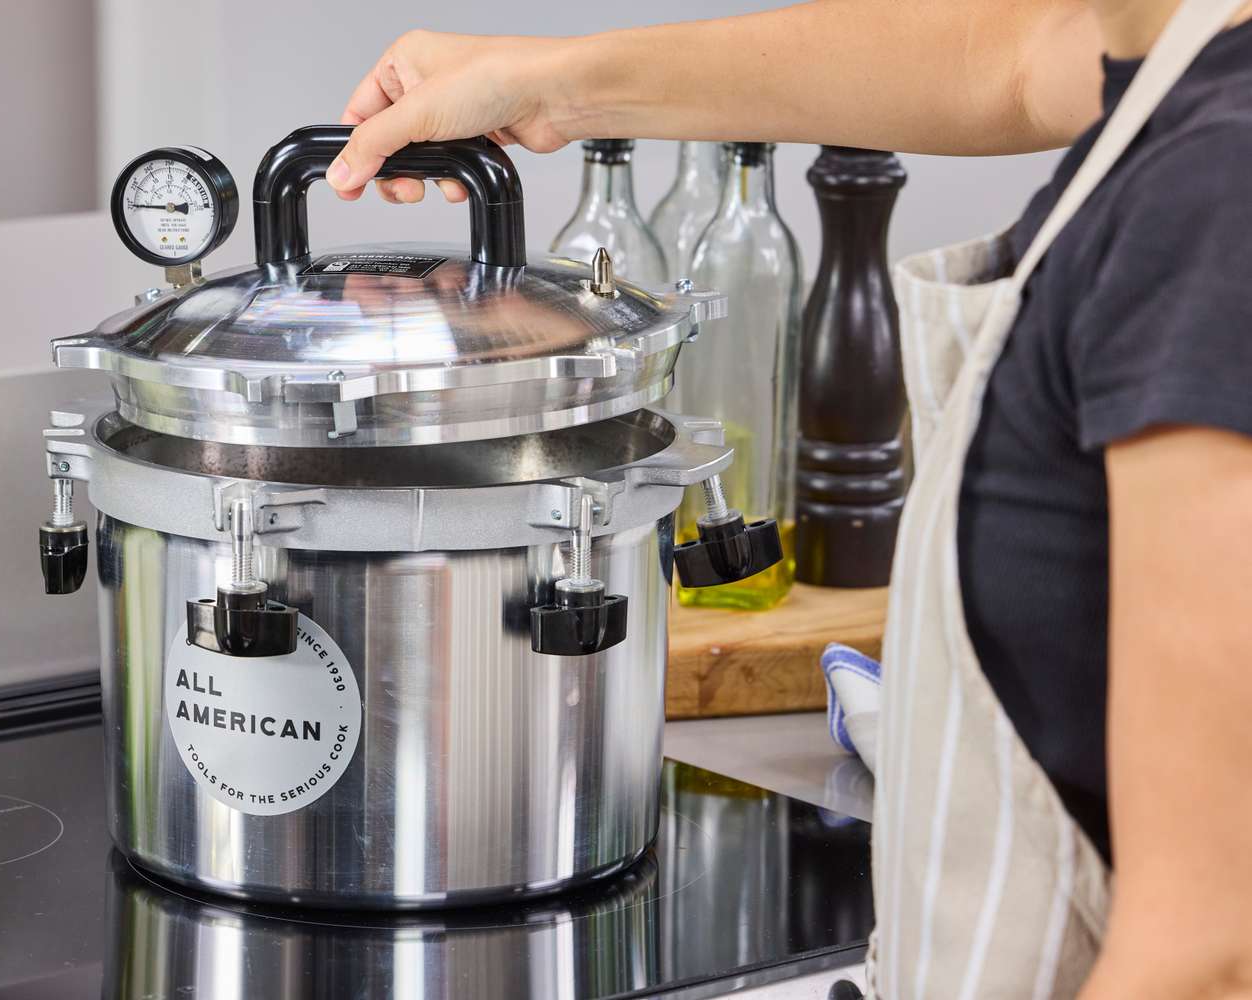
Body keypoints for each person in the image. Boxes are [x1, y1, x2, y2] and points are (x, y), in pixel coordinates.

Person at [328, 2, 1252, 998]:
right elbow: (1017, 63)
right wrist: (550, 86)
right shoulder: (1173, 56)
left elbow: (1205, 957)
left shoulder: (1214, 195)